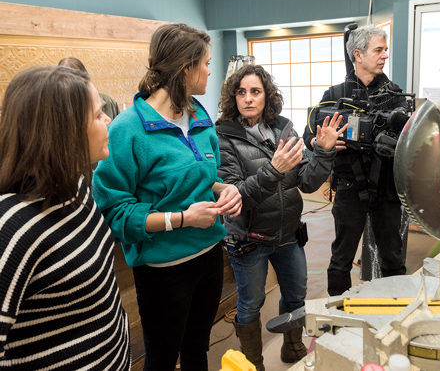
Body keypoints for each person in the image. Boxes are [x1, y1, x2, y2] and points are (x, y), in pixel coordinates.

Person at [92, 23, 242, 371]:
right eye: (205, 62)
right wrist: (183, 218)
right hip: (164, 272)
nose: (209, 70)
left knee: (197, 351)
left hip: (209, 258)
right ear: (186, 67)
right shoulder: (127, 130)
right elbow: (115, 212)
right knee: (161, 359)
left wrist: (226, 189)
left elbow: (206, 177)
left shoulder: (200, 115)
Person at [216, 64, 346, 371]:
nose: (248, 98)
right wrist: (273, 169)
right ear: (233, 97)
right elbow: (236, 197)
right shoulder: (222, 137)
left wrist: (325, 152)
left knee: (296, 295)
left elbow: (306, 182)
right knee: (250, 304)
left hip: (288, 235)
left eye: (256, 91)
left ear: (267, 96)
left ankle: (292, 346)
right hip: (248, 240)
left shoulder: (284, 128)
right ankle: (253, 364)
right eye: (241, 92)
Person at [0, 65, 130, 370]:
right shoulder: (13, 225)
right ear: (64, 131)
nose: (109, 120)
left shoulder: (76, 186)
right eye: (98, 115)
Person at [303, 25, 408, 297]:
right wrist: (320, 143)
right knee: (341, 259)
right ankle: (338, 318)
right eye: (379, 50)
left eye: (386, 50)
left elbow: (411, 143)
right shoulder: (335, 95)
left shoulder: (396, 97)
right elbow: (309, 134)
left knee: (393, 259)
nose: (385, 55)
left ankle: (394, 310)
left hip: (386, 189)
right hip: (350, 186)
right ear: (358, 55)